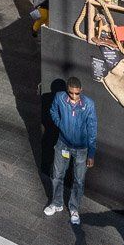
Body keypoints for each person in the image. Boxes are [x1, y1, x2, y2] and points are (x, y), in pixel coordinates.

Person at [44, 77, 96, 225]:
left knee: (79, 181)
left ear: (81, 91)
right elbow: (53, 111)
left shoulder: (89, 105)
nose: (73, 96)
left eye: (77, 93)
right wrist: (61, 125)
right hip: (63, 145)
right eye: (71, 93)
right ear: (67, 90)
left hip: (81, 149)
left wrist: (91, 153)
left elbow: (92, 129)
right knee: (57, 176)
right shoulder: (60, 98)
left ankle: (74, 208)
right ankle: (56, 203)